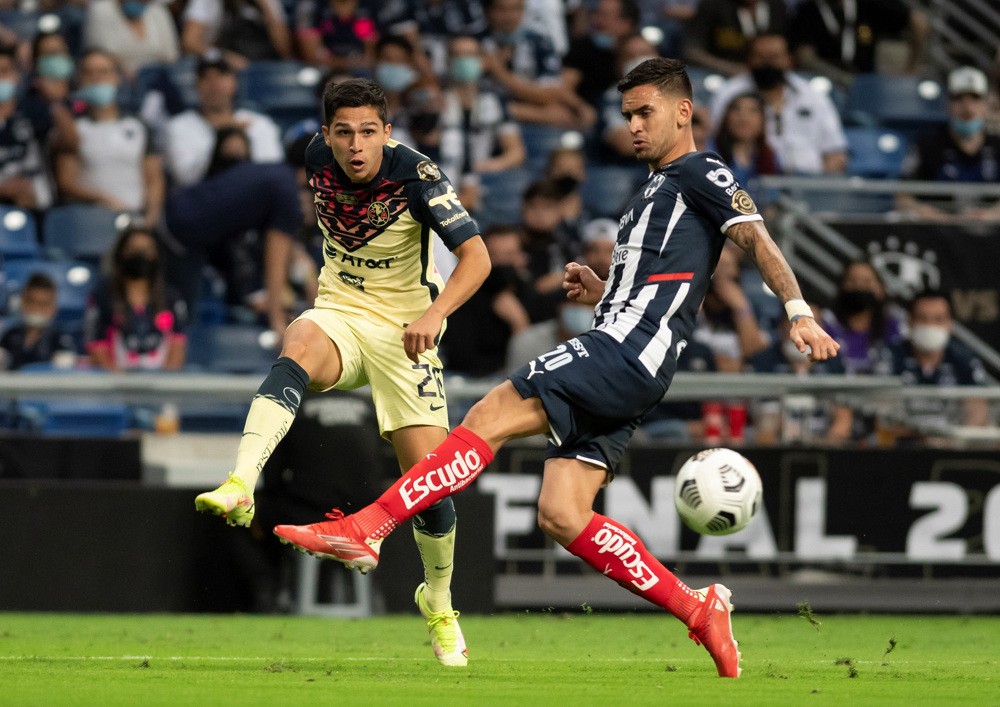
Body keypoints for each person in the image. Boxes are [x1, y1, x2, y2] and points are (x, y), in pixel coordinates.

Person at [271, 58, 840, 678]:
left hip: (624, 351)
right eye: (627, 116)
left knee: (489, 413)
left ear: (684, 111)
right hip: (631, 353)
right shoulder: (655, 189)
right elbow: (666, 282)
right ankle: (697, 607)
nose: (634, 127)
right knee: (562, 514)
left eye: (646, 113)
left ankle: (368, 527)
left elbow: (756, 237)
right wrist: (603, 288)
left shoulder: (701, 170)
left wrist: (798, 312)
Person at [194, 78, 491, 667]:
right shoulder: (314, 158)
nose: (356, 146)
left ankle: (438, 601)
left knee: (432, 485)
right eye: (344, 133)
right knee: (297, 342)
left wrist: (434, 313)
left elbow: (477, 258)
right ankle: (241, 484)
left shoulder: (418, 176)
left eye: (368, 132)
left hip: (408, 331)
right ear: (326, 134)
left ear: (388, 132)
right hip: (341, 314)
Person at [54, 49, 165, 227]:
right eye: (89, 73)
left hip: (134, 220)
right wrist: (101, 198)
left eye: (104, 72)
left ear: (116, 78)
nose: (97, 78)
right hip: (89, 221)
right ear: (80, 81)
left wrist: (151, 216)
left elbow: (153, 177)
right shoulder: (73, 130)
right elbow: (66, 182)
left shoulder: (138, 126)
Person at [709, 34, 848, 175]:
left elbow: (835, 153)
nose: (768, 64)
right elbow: (713, 140)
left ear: (789, 59)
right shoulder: (729, 94)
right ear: (749, 59)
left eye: (774, 57)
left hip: (807, 185)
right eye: (761, 57)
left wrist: (818, 187)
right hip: (745, 180)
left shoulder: (812, 96)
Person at [164, 52, 283, 188]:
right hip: (204, 202)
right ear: (196, 84)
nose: (214, 84)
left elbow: (272, 172)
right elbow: (186, 178)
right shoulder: (178, 127)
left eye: (222, 75)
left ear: (235, 82)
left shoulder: (259, 124)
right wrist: (224, 137)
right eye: (206, 77)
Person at [897, 66, 1000, 221]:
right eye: (958, 99)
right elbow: (902, 198)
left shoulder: (997, 146)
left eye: (975, 98)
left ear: (986, 104)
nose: (968, 108)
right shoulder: (928, 145)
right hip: (938, 235)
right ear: (947, 103)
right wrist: (940, 217)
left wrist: (991, 215)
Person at [438, 34, 526, 213]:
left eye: (470, 54)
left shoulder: (494, 100)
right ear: (448, 61)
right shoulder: (436, 100)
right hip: (442, 179)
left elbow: (516, 152)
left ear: (482, 60)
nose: (464, 60)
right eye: (458, 55)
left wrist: (486, 167)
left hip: (481, 179)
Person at [85, 227, 188, 371]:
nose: (140, 255)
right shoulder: (102, 296)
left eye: (147, 250)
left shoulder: (171, 298)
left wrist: (164, 383)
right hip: (115, 384)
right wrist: (120, 383)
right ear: (121, 253)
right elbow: (96, 347)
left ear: (157, 255)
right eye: (134, 249)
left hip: (160, 385)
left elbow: (177, 346)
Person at [890, 289, 988, 434]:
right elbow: (882, 415)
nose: (930, 325)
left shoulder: (965, 358)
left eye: (938, 319)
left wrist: (956, 440)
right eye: (922, 319)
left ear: (950, 323)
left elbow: (977, 415)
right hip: (902, 448)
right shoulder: (891, 355)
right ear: (910, 321)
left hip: (953, 448)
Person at [789, 0, 929, 86]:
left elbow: (919, 22)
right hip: (826, 82)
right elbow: (805, 58)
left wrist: (912, 69)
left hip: (865, 83)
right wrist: (844, 79)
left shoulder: (867, 5)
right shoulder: (807, 10)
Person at [822, 259, 901, 375]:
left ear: (881, 288)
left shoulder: (893, 327)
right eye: (852, 281)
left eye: (867, 282)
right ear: (841, 286)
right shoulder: (826, 324)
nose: (859, 287)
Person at [0, 44, 53, 210]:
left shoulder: (35, 113)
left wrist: (54, 100)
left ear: (17, 75)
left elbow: (69, 143)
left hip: (39, 208)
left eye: (4, 71)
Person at [686, 0, 787, 77]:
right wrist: (730, 68)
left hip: (770, 75)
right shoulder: (713, 5)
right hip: (721, 74)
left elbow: (792, 52)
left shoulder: (777, 6)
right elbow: (692, 51)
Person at [711, 92, 780, 204]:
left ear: (763, 120)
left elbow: (773, 199)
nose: (743, 117)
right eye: (736, 109)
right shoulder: (710, 154)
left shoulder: (769, 158)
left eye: (752, 111)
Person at [0, 273, 78, 371]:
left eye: (43, 304)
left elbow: (63, 375)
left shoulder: (61, 340)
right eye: (31, 302)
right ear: (22, 303)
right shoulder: (10, 335)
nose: (36, 309)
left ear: (54, 308)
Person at [83, 0, 180, 77]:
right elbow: (99, 55)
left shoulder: (158, 11)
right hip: (120, 82)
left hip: (159, 81)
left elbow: (171, 56)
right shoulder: (100, 10)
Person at [181, 0, 292, 65]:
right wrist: (224, 57)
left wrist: (265, 8)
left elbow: (284, 50)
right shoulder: (207, 2)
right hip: (222, 66)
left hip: (263, 66)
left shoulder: (267, 2)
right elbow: (189, 43)